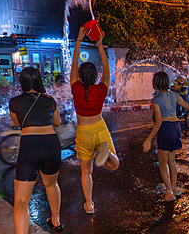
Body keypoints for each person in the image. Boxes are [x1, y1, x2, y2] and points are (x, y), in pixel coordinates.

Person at [70, 27, 119, 214]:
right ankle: (106, 155)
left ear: (80, 76)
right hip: (99, 127)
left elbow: (73, 66)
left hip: (83, 131)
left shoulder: (75, 87)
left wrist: (78, 40)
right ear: (96, 76)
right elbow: (107, 68)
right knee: (115, 165)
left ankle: (89, 205)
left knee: (86, 171)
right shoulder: (102, 89)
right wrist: (99, 45)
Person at [9, 67, 63, 233]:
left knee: (21, 200)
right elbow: (57, 123)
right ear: (39, 81)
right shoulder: (49, 100)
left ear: (22, 82)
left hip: (30, 145)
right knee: (51, 184)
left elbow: (17, 123)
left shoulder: (14, 102)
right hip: (50, 144)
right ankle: (56, 221)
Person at [143, 71, 189, 201]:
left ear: (155, 83)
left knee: (162, 162)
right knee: (172, 161)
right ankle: (174, 188)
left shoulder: (156, 100)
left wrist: (148, 139)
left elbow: (158, 122)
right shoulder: (175, 95)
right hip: (175, 127)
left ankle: (169, 192)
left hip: (165, 129)